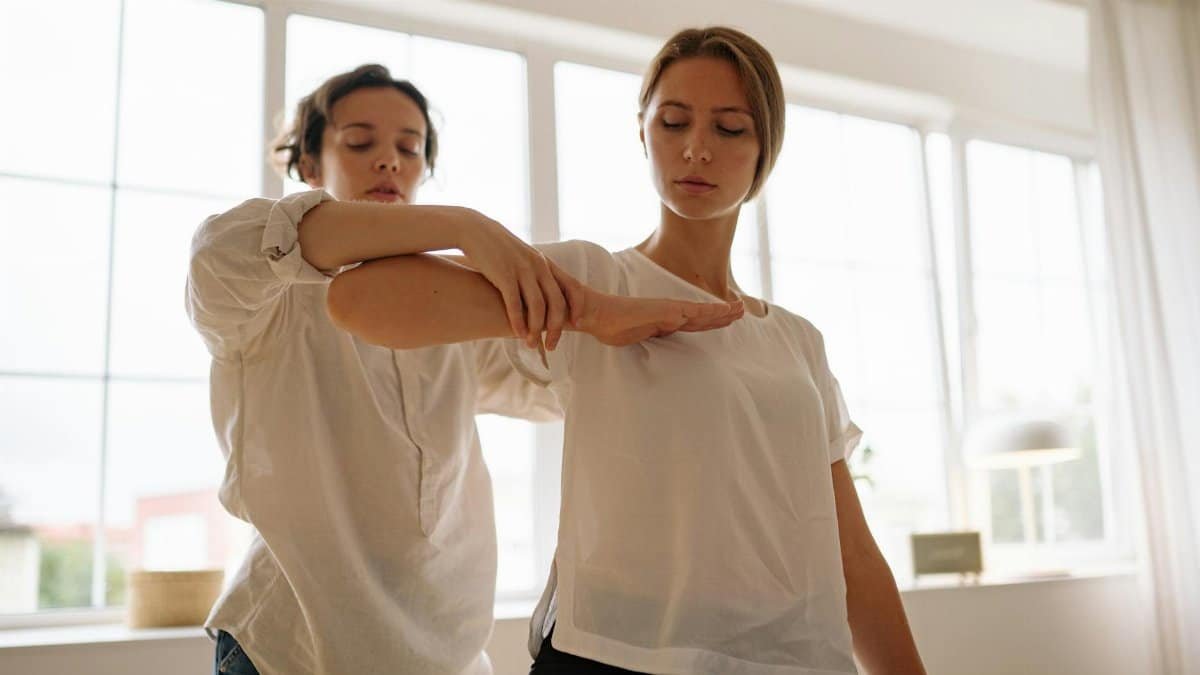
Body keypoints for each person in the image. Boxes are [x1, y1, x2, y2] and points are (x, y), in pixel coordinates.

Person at [329, 27, 927, 675]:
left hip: (786, 658)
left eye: (729, 129)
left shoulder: (797, 341)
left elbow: (854, 554)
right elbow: (361, 298)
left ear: (765, 153)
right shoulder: (598, 280)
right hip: (611, 654)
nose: (696, 148)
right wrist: (578, 303)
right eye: (674, 121)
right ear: (643, 133)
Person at [186, 63, 744, 675]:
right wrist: (464, 224)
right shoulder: (260, 299)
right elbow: (226, 248)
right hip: (288, 648)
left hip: (444, 655)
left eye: (409, 147)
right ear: (310, 165)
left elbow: (569, 379)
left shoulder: (451, 319)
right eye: (360, 142)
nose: (390, 162)